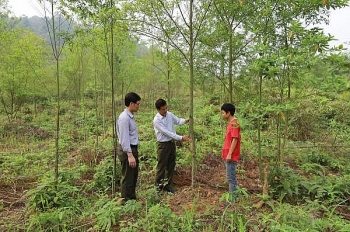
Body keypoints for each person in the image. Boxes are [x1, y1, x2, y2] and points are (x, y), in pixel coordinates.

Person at [153, 98, 190, 193]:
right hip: (163, 145)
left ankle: (168, 185)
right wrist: (181, 138)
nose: (165, 111)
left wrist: (186, 120)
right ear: (158, 109)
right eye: (163, 109)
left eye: (166, 108)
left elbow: (178, 121)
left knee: (171, 164)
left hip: (171, 143)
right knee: (161, 165)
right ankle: (158, 186)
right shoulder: (157, 120)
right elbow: (167, 133)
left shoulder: (169, 114)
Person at [116, 92, 141, 204]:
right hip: (128, 150)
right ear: (131, 104)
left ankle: (132, 199)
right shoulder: (124, 118)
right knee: (128, 176)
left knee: (133, 175)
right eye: (137, 104)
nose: (138, 106)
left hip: (132, 149)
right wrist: (130, 155)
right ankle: (126, 201)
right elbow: (124, 138)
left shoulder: (129, 116)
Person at [221, 103, 241, 204]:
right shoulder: (231, 123)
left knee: (231, 178)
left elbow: (235, 139)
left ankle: (231, 201)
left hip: (231, 155)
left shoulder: (234, 123)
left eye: (223, 113)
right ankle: (235, 197)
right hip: (229, 154)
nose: (222, 115)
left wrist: (229, 154)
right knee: (231, 177)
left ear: (228, 113)